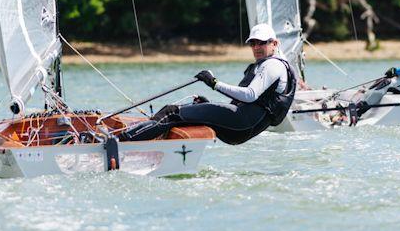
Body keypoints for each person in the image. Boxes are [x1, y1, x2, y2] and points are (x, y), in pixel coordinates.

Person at [121, 23, 296, 145]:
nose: (257, 47)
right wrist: (207, 105)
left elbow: (250, 95)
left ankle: (123, 141)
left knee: (172, 112)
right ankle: (144, 143)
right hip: (243, 126)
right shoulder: (271, 63)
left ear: (274, 43)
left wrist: (214, 83)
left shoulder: (273, 65)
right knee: (181, 117)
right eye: (253, 43)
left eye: (262, 43)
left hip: (242, 123)